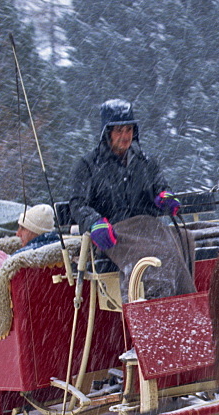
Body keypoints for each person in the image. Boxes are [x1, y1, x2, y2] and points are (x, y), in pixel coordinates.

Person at [69, 99, 195, 301]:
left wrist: (165, 197)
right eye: (119, 131)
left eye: (128, 130)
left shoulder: (145, 162)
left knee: (185, 239)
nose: (125, 136)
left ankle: (183, 301)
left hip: (148, 226)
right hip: (115, 231)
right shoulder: (88, 165)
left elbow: (161, 187)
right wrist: (95, 223)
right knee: (156, 253)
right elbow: (78, 204)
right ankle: (148, 304)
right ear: (106, 133)